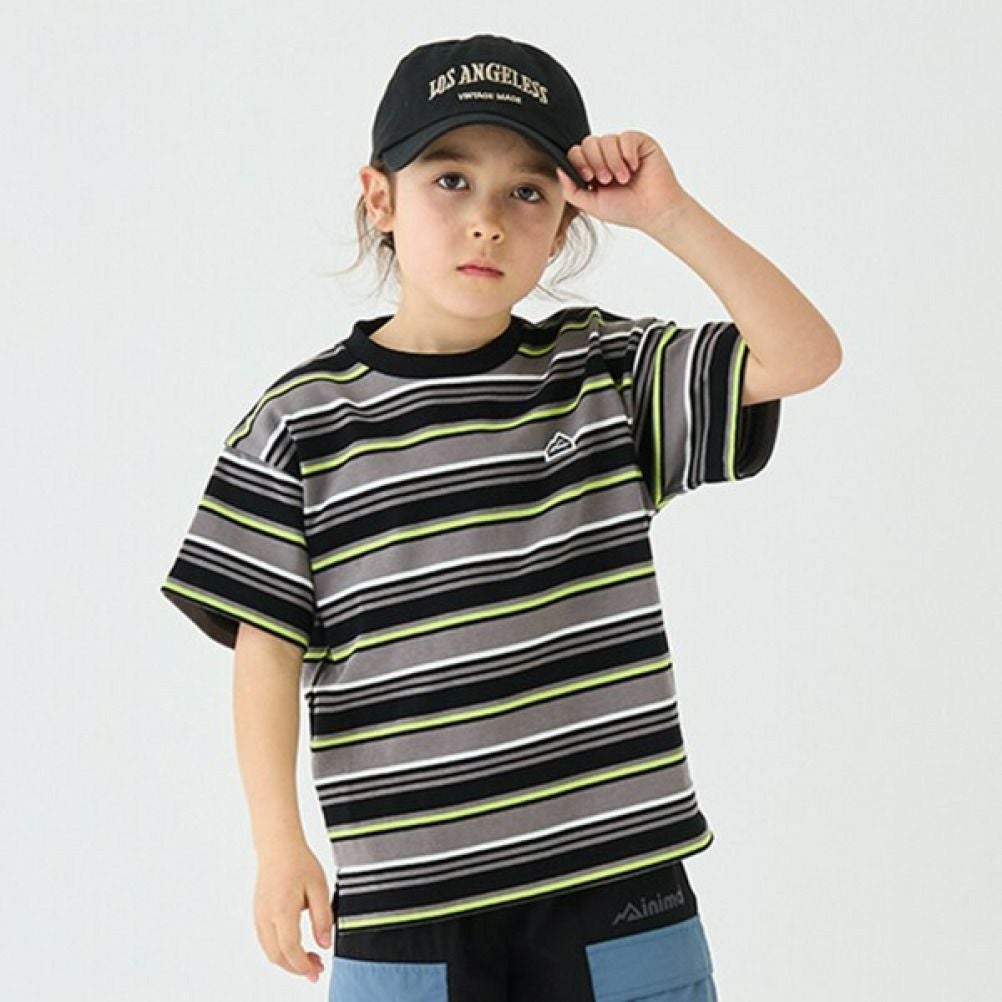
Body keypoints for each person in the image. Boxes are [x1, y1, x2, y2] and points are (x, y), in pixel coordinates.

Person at [160, 32, 841, 1002]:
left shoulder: (602, 376)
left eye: (527, 191)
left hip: (616, 883)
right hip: (407, 905)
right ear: (379, 198)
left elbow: (803, 356)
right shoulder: (298, 425)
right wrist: (279, 844)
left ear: (562, 225)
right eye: (450, 180)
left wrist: (669, 215)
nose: (486, 221)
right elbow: (266, 645)